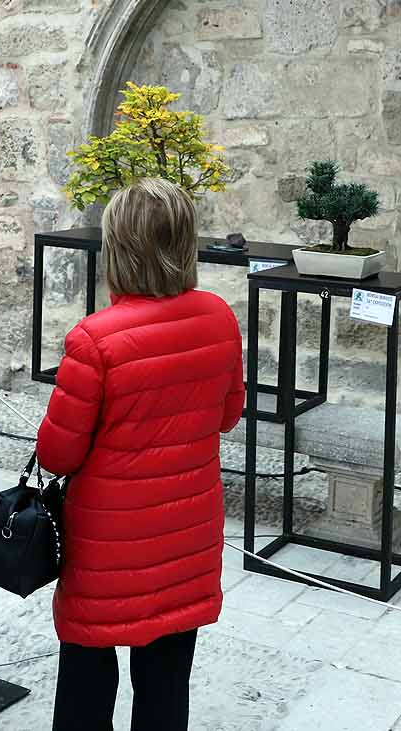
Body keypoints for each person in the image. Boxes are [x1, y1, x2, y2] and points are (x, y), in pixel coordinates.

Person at [36, 177, 245, 731]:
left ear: (119, 250)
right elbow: (227, 415)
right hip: (187, 537)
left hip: (108, 548)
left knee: (85, 690)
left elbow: (57, 453)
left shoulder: (95, 340)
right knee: (166, 694)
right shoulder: (219, 318)